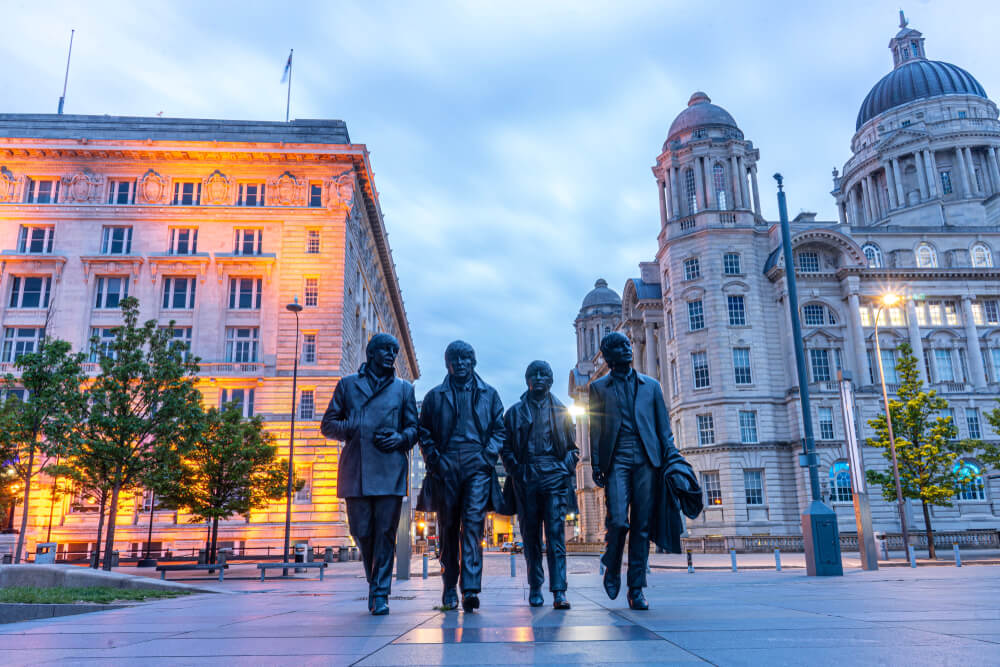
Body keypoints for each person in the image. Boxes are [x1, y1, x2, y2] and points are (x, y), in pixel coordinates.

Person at [589, 332, 695, 610]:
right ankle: (611, 565)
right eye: (619, 347)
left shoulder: (651, 386)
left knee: (642, 526)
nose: (627, 349)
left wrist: (672, 459)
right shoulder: (598, 388)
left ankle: (636, 588)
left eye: (627, 345)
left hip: (648, 460)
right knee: (618, 522)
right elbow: (596, 428)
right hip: (617, 460)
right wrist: (597, 464)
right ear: (609, 356)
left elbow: (664, 430)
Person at [320, 333, 418, 616]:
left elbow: (414, 429)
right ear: (372, 353)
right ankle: (375, 580)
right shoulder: (348, 385)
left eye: (395, 351)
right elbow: (328, 425)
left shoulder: (403, 390)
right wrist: (354, 426)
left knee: (385, 533)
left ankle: (379, 592)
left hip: (389, 469)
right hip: (357, 470)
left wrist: (400, 438)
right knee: (361, 532)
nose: (392, 355)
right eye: (386, 349)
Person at [416, 340, 504, 613]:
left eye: (467, 358)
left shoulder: (489, 394)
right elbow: (424, 432)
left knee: (474, 526)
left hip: (477, 466)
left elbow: (499, 430)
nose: (462, 363)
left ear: (473, 362)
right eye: (456, 359)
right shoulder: (434, 396)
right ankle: (449, 586)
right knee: (449, 528)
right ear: (448, 364)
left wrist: (486, 456)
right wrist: (435, 459)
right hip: (446, 467)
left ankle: (471, 589)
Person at [501, 360, 578, 609]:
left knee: (556, 536)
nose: (539, 377)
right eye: (534, 374)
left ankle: (559, 591)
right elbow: (505, 448)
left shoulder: (562, 411)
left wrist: (563, 468)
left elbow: (572, 450)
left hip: (554, 477)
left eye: (544, 373)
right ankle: (535, 587)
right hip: (527, 478)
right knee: (531, 537)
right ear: (527, 380)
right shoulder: (513, 413)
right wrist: (518, 471)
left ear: (551, 380)